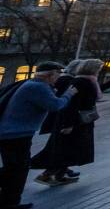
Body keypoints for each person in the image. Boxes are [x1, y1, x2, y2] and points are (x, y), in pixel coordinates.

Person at [0, 61, 75, 208]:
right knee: (17, 170)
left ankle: (9, 202)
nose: (58, 77)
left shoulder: (33, 84)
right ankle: (10, 203)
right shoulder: (38, 87)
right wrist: (69, 94)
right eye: (58, 74)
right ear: (50, 75)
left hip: (13, 133)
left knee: (15, 169)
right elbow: (55, 105)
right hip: (15, 135)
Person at [32, 58, 103, 186]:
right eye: (98, 69)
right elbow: (72, 104)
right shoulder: (81, 82)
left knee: (68, 150)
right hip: (76, 123)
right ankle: (48, 175)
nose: (99, 71)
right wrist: (68, 124)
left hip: (78, 122)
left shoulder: (85, 81)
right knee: (66, 150)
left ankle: (58, 175)